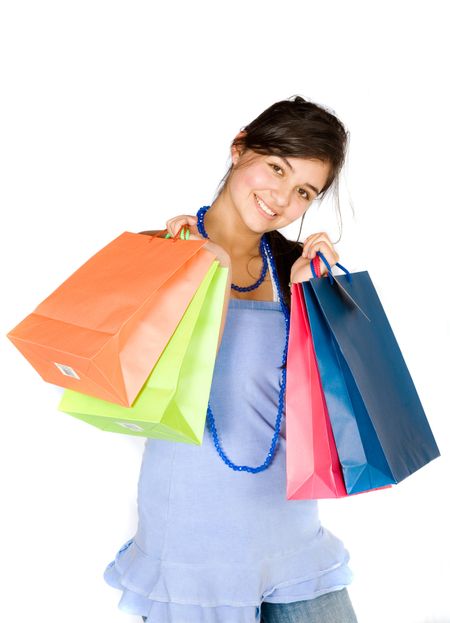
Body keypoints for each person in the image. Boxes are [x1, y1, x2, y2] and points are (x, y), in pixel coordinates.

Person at [103, 95, 359, 623]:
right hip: (191, 546)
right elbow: (140, 399)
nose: (281, 199)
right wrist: (204, 279)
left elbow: (328, 416)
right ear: (240, 147)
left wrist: (321, 305)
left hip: (294, 538)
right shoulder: (159, 250)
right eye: (275, 168)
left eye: (303, 191)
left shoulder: (295, 269)